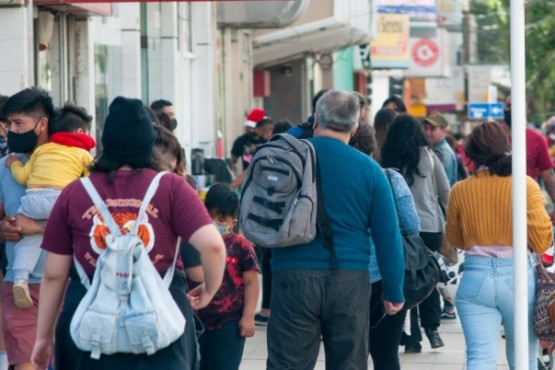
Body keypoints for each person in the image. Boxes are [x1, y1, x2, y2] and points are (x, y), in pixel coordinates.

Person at [30, 96, 227, 370]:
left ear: (104, 143)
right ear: (149, 144)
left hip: (90, 332)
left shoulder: (75, 192)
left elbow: (53, 274)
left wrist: (44, 336)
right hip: (162, 330)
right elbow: (214, 247)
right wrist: (209, 289)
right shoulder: (172, 187)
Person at [266, 90, 405, 370]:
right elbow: (388, 236)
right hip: (349, 278)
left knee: (287, 363)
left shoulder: (288, 161)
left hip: (292, 274)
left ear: (315, 119)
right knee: (348, 363)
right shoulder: (370, 170)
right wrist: (394, 289)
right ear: (355, 128)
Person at [446, 121, 552, 369]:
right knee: (523, 359)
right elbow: (541, 241)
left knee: (479, 358)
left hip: (475, 278)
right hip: (518, 278)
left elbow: (455, 240)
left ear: (471, 153)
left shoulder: (460, 190)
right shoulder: (525, 186)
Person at [5, 104, 95, 309]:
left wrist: (13, 165)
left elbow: (22, 177)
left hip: (32, 199)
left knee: (30, 236)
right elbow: (93, 185)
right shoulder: (83, 155)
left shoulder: (42, 151)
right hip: (59, 199)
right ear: (81, 132)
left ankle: (20, 279)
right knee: (64, 227)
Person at [349, 121, 420, 370]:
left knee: (349, 355)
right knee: (386, 355)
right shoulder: (391, 177)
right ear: (373, 147)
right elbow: (412, 226)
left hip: (345, 277)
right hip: (386, 275)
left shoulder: (335, 179)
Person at [381, 113, 450, 353]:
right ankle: (431, 327)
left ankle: (410, 335)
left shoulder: (386, 158)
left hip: (398, 228)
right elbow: (445, 191)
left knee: (403, 279)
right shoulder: (430, 157)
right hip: (430, 226)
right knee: (427, 277)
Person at [0, 87, 54, 370]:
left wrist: (37, 227)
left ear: (41, 124)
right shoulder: (4, 167)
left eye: (19, 124)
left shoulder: (70, 163)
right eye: (8, 125)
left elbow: (88, 218)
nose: (11, 132)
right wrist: (2, 228)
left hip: (67, 284)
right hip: (21, 287)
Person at [194, 183, 259, 370]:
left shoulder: (241, 246)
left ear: (232, 223)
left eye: (221, 219)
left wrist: (248, 317)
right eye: (210, 216)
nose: (214, 222)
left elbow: (251, 283)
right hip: (196, 321)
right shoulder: (192, 242)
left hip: (229, 323)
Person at [502, 95, 555, 223]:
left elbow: (548, 176)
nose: (510, 110)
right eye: (508, 106)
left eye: (515, 106)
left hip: (527, 207)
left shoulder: (537, 140)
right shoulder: (492, 137)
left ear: (524, 111)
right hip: (497, 205)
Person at [230, 118, 274, 189]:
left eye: (260, 134)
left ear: (268, 131)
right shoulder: (241, 141)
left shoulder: (269, 146)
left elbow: (250, 170)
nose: (252, 131)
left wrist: (232, 185)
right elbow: (233, 163)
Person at [422, 112, 458, 187]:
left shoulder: (441, 153)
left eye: (432, 129)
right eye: (426, 128)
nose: (428, 133)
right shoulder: (439, 149)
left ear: (443, 131)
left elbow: (442, 187)